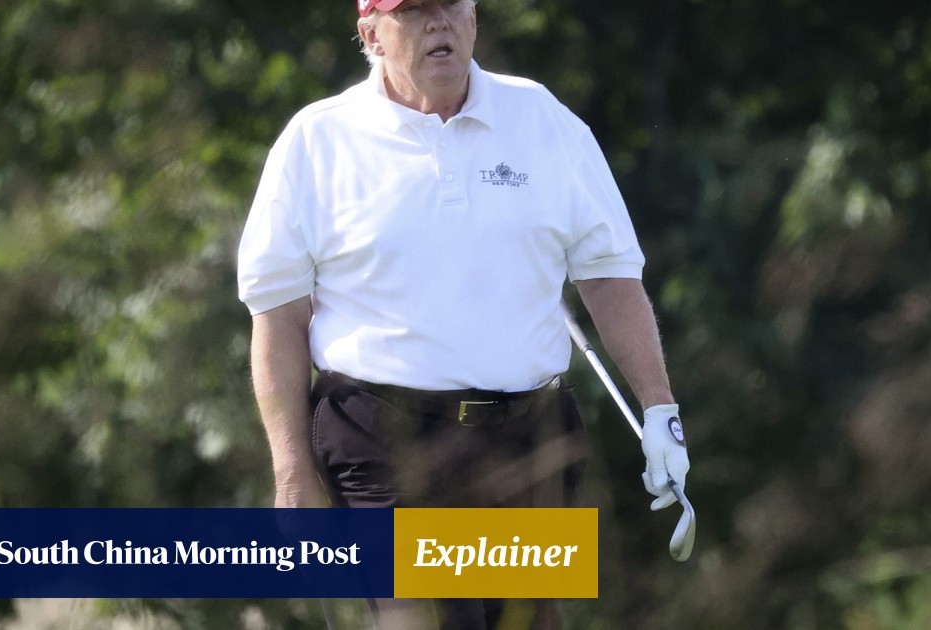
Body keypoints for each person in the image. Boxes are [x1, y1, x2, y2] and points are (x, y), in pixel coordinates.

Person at [237, 0, 690, 627]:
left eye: (451, 5)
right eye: (413, 10)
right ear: (371, 35)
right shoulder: (318, 140)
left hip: (531, 437)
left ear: (474, 18)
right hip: (384, 439)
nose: (438, 23)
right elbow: (278, 314)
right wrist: (291, 472)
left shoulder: (541, 118)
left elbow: (609, 274)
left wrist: (660, 409)